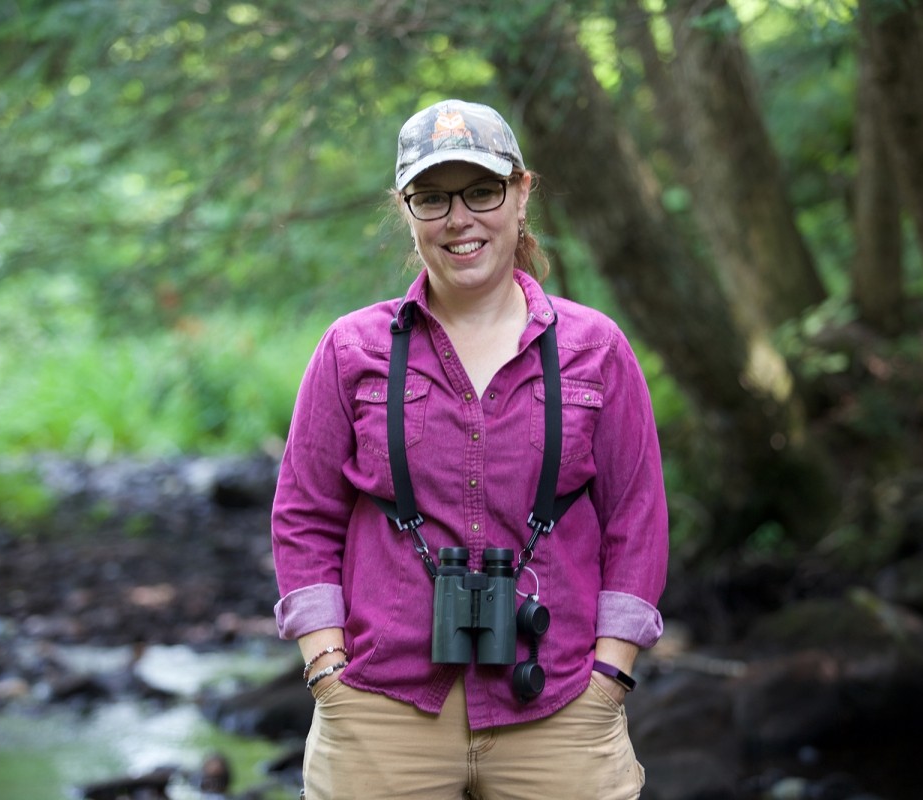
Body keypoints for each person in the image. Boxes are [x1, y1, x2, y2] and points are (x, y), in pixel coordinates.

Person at [271, 98, 668, 799]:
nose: (460, 219)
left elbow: (637, 517)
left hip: (560, 701)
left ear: (521, 193)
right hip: (380, 707)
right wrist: (325, 668)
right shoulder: (351, 349)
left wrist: (611, 673)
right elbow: (304, 514)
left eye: (481, 191)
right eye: (432, 198)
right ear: (406, 209)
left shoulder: (595, 349)